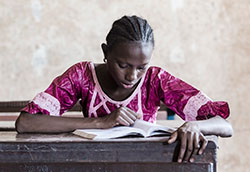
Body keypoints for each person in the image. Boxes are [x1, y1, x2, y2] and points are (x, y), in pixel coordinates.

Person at [15, 15, 233, 163]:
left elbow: (224, 126)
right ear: (105, 52)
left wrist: (194, 126)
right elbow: (25, 122)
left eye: (141, 67)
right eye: (123, 65)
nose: (132, 76)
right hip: (91, 163)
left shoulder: (156, 79)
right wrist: (100, 122)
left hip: (146, 163)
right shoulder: (82, 75)